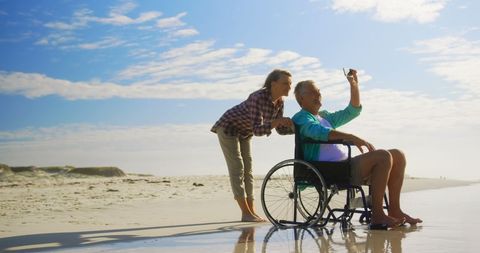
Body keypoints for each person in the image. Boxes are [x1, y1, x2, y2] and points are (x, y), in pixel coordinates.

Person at [292, 69, 422, 228]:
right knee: (383, 156)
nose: (318, 95)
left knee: (398, 155)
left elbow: (352, 111)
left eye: (319, 91)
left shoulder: (324, 117)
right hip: (329, 170)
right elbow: (318, 132)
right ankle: (378, 215)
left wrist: (354, 85)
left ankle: (395, 210)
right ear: (301, 98)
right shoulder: (302, 117)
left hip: (344, 165)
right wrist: (352, 137)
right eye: (313, 92)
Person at [211, 69, 295, 222]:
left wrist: (296, 127)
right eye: (285, 84)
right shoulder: (257, 97)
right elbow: (258, 130)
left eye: (290, 84)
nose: (289, 87)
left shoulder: (280, 102)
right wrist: (276, 122)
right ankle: (245, 213)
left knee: (248, 170)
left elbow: (280, 130)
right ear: (273, 83)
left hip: (245, 132)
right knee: (237, 168)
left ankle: (251, 212)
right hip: (228, 127)